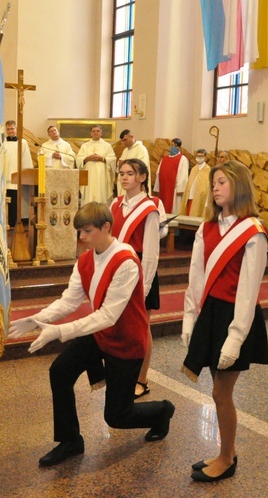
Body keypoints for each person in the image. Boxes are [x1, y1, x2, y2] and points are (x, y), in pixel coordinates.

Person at [8, 202, 175, 467]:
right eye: (79, 231)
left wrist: (59, 331)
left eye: (86, 231)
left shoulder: (126, 261)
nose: (81, 238)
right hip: (99, 335)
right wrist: (37, 319)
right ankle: (70, 440)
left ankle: (162, 410)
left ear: (106, 227)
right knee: (60, 370)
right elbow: (69, 301)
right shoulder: (85, 259)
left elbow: (108, 315)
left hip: (125, 341)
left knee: (117, 417)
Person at [181, 160, 268, 482]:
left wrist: (235, 339)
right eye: (214, 183)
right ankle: (225, 452)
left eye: (222, 182)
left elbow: (249, 292)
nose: (215, 187)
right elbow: (196, 277)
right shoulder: (206, 228)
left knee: (221, 392)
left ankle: (227, 456)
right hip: (211, 313)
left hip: (236, 318)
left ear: (239, 186)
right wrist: (189, 320)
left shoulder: (252, 232)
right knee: (218, 390)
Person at [110, 158, 166, 399]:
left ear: (142, 177)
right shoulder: (114, 203)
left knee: (142, 328)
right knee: (119, 325)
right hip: (118, 270)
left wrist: (143, 288)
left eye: (130, 173)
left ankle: (142, 379)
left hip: (140, 271)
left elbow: (152, 253)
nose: (124, 177)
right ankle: (122, 372)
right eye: (121, 173)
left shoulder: (150, 207)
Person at [76, 124, 117, 205]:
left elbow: (113, 159)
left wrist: (102, 158)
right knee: (89, 194)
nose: (96, 133)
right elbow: (78, 159)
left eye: (98, 131)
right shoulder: (85, 146)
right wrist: (88, 158)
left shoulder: (107, 146)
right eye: (94, 131)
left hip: (102, 175)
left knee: (101, 193)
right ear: (91, 133)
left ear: (101, 133)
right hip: (89, 175)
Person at [3, 120, 33, 227]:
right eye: (8, 129)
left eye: (12, 129)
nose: (10, 131)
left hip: (17, 176)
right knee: (5, 200)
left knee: (16, 200)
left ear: (16, 129)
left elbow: (26, 159)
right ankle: (5, 221)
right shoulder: (2, 142)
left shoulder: (22, 142)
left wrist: (26, 174)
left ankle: (15, 222)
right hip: (5, 175)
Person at [153, 138, 189, 215]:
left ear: (179, 147)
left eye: (175, 145)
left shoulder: (183, 159)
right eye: (172, 145)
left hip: (175, 190)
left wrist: (180, 188)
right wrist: (157, 186)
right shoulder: (164, 159)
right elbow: (158, 173)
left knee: (174, 209)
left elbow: (184, 175)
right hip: (164, 187)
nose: (173, 147)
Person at [117, 130, 150, 197]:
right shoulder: (125, 150)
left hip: (135, 181)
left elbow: (142, 166)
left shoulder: (141, 149)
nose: (123, 142)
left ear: (131, 137)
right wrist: (120, 163)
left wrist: (125, 164)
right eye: (122, 141)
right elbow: (120, 165)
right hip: (125, 179)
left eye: (125, 140)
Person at [180, 149, 211, 217]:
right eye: (198, 156)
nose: (199, 158)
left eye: (201, 156)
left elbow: (207, 185)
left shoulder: (208, 169)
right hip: (190, 196)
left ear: (205, 157)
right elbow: (189, 183)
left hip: (200, 197)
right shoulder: (194, 168)